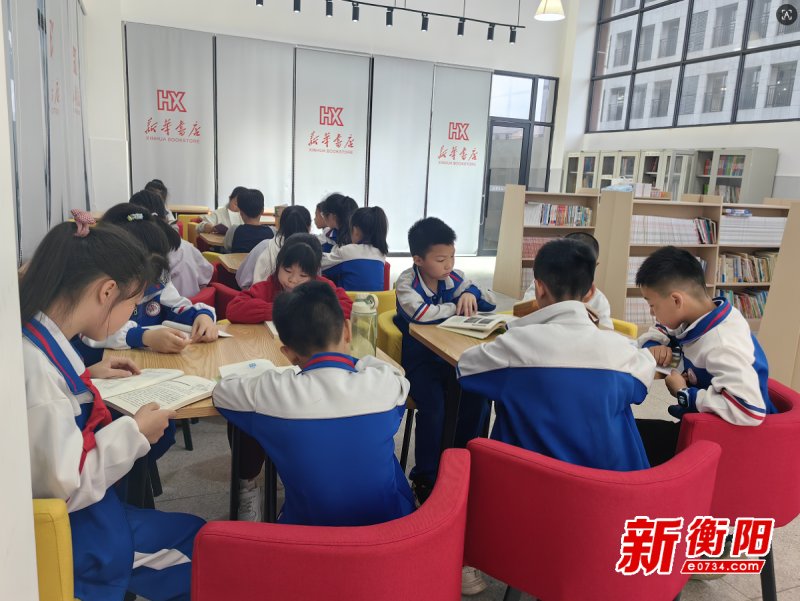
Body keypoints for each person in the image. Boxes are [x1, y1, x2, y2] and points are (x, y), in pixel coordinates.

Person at [20, 211, 204, 601]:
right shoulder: (38, 372)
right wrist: (134, 433)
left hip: (85, 517)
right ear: (107, 292)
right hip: (80, 540)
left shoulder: (35, 335)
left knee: (197, 533)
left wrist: (91, 372)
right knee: (210, 550)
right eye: (131, 304)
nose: (130, 316)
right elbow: (66, 487)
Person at [213, 280, 415, 526]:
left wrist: (271, 376)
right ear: (347, 331)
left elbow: (222, 392)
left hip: (307, 537)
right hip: (390, 532)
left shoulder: (272, 391)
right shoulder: (383, 384)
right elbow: (397, 376)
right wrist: (356, 363)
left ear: (288, 353)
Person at [458, 238, 655, 470]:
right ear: (591, 292)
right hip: (608, 485)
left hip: (527, 481)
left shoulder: (515, 344)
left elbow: (465, 368)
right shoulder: (620, 350)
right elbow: (643, 380)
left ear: (539, 288)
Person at [635, 246, 777, 466]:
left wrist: (684, 393)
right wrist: (655, 345)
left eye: (652, 305)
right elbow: (663, 329)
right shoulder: (700, 315)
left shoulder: (723, 344)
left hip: (730, 443)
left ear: (676, 300)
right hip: (704, 425)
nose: (652, 312)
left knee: (627, 441)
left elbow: (749, 410)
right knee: (627, 432)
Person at [394, 217, 495, 503]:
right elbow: (419, 314)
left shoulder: (454, 277)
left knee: (476, 398)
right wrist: (456, 305)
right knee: (435, 408)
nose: (448, 265)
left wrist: (471, 293)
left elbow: (489, 301)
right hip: (421, 363)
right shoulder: (407, 283)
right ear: (418, 260)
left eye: (452, 256)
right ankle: (426, 476)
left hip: (453, 358)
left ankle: (459, 465)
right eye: (440, 259)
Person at [82, 204, 218, 354]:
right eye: (140, 264)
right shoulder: (97, 285)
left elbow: (177, 306)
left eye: (155, 261)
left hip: (147, 361)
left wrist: (202, 316)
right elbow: (89, 332)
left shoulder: (158, 278)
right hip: (101, 362)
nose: (149, 271)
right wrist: (144, 337)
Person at [227, 234, 352, 325]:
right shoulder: (269, 286)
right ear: (278, 265)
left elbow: (349, 308)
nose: (293, 280)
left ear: (314, 275)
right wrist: (280, 310)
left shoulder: (322, 286)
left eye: (303, 275)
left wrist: (311, 310)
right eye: (287, 271)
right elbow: (234, 309)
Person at [522, 232, 612, 330]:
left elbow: (606, 330)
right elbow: (522, 312)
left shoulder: (599, 300)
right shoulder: (542, 285)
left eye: (580, 265)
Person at [130, 190, 213, 298]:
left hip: (160, 307)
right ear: (166, 217)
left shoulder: (138, 255)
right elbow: (207, 274)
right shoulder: (185, 246)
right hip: (192, 305)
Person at [242, 205, 312, 288]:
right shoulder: (314, 252)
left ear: (280, 225)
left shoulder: (265, 246)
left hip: (260, 293)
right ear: (309, 227)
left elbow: (243, 279)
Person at [322, 206, 388, 291]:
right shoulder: (381, 254)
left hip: (351, 299)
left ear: (356, 230)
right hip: (375, 299)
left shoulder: (348, 251)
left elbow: (320, 264)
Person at [223, 188, 274, 253]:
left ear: (241, 212)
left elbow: (226, 246)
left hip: (238, 260)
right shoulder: (272, 232)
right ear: (262, 211)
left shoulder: (234, 230)